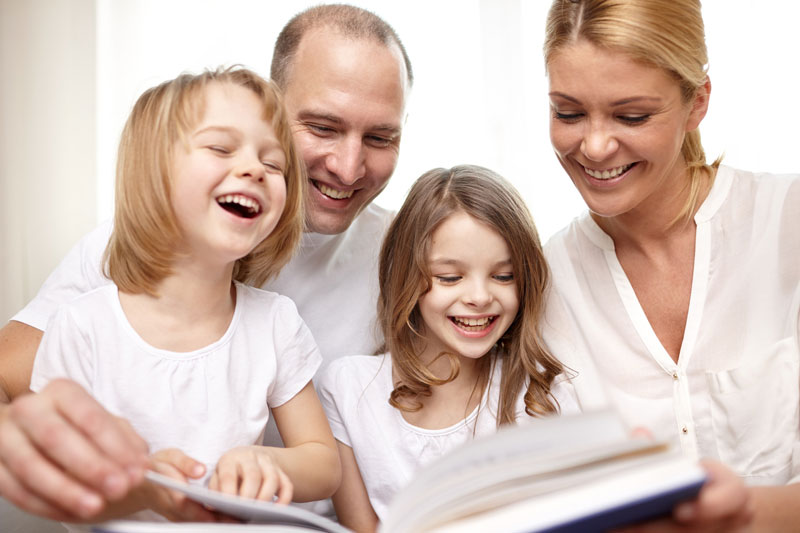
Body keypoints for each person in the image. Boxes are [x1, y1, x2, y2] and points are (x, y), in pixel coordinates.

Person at [0, 3, 410, 523]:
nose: (349, 167)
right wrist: (135, 480)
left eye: (379, 138)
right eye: (323, 127)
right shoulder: (110, 280)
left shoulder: (405, 259)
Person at [29, 66, 341, 525]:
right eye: (220, 148)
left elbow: (323, 465)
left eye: (273, 164)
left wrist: (268, 464)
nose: (255, 168)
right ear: (153, 172)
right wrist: (145, 491)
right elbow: (56, 486)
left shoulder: (275, 322)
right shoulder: (81, 328)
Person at [541, 0, 800, 529]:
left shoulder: (786, 223)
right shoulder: (542, 281)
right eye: (568, 112)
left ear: (697, 101)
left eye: (631, 115)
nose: (593, 145)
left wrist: (742, 515)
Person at [318, 165, 579, 532]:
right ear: (406, 275)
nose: (479, 297)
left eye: (504, 276)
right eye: (450, 277)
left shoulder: (541, 398)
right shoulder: (348, 388)